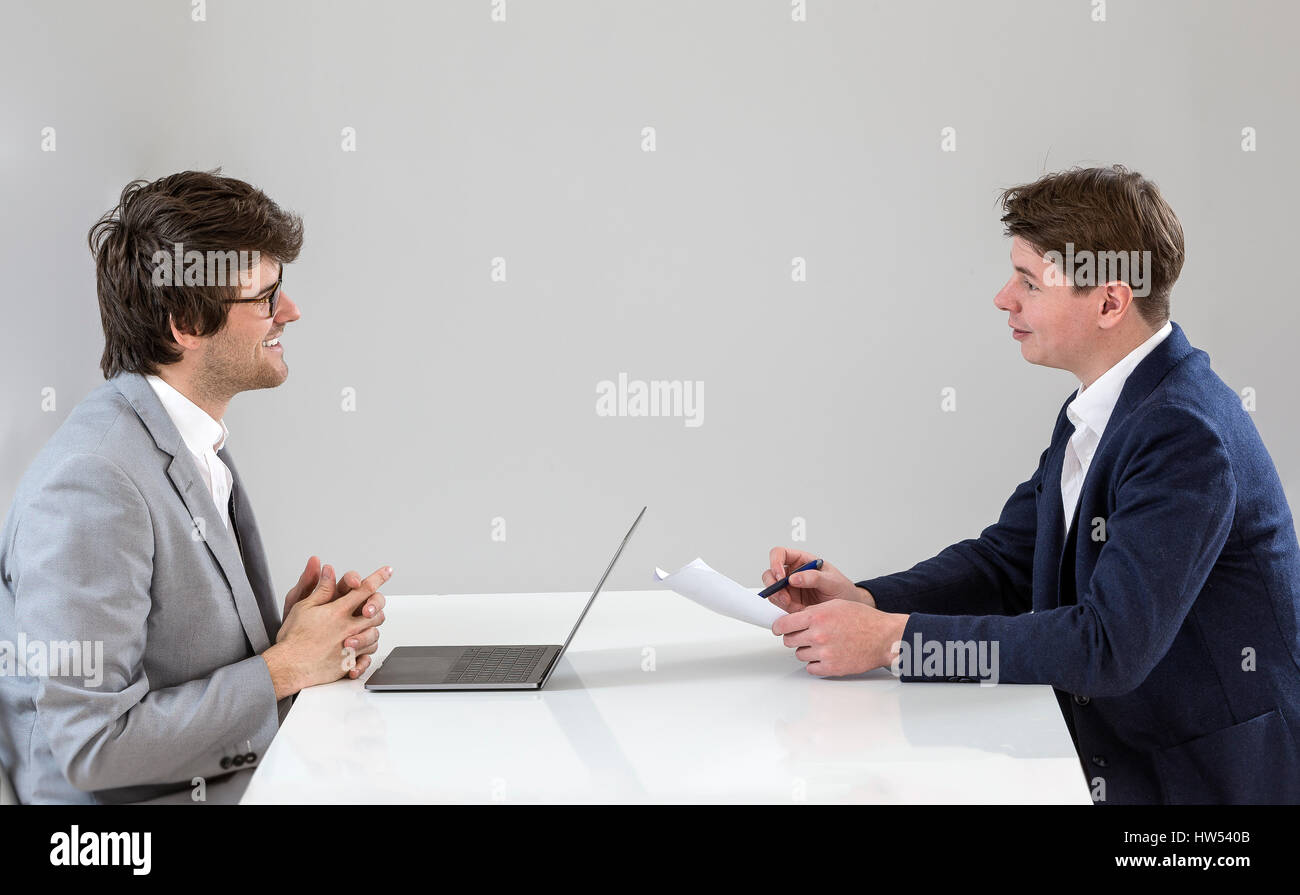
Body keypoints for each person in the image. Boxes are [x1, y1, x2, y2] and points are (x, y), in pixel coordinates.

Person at [762, 165, 1300, 805]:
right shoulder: (1106, 408)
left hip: (1209, 794)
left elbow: (1108, 648)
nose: (1002, 299)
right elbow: (1006, 563)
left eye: (1027, 282)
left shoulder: (1181, 434)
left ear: (1109, 301)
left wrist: (893, 642)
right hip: (1124, 765)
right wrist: (867, 600)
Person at [0, 170, 391, 804]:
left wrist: (298, 640)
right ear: (186, 322)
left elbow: (177, 664)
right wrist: (286, 667)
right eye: (265, 297)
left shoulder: (180, 440)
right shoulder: (92, 482)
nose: (289, 312)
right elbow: (92, 747)